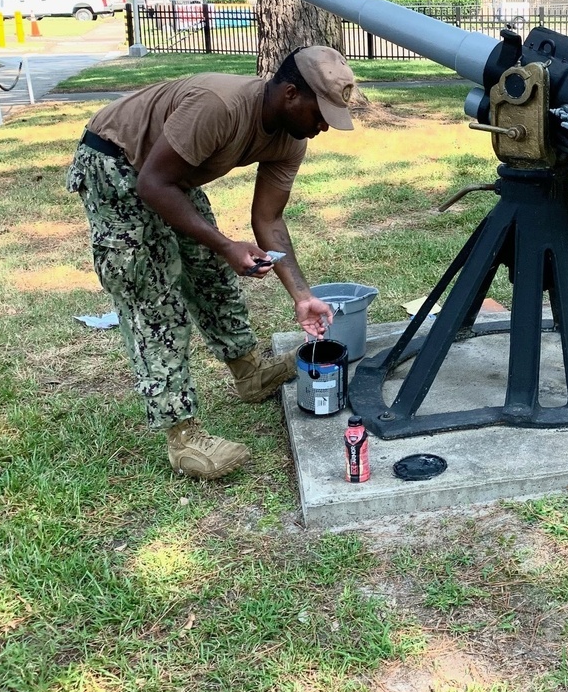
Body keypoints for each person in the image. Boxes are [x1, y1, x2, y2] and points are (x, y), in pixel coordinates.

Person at [67, 45, 357, 477]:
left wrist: (301, 295)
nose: (324, 127)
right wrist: (226, 243)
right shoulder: (218, 106)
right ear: (291, 94)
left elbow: (269, 219)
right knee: (153, 296)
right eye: (321, 115)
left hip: (168, 174)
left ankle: (249, 372)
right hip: (116, 161)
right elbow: (152, 184)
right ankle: (182, 438)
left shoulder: (291, 139)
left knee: (212, 275)